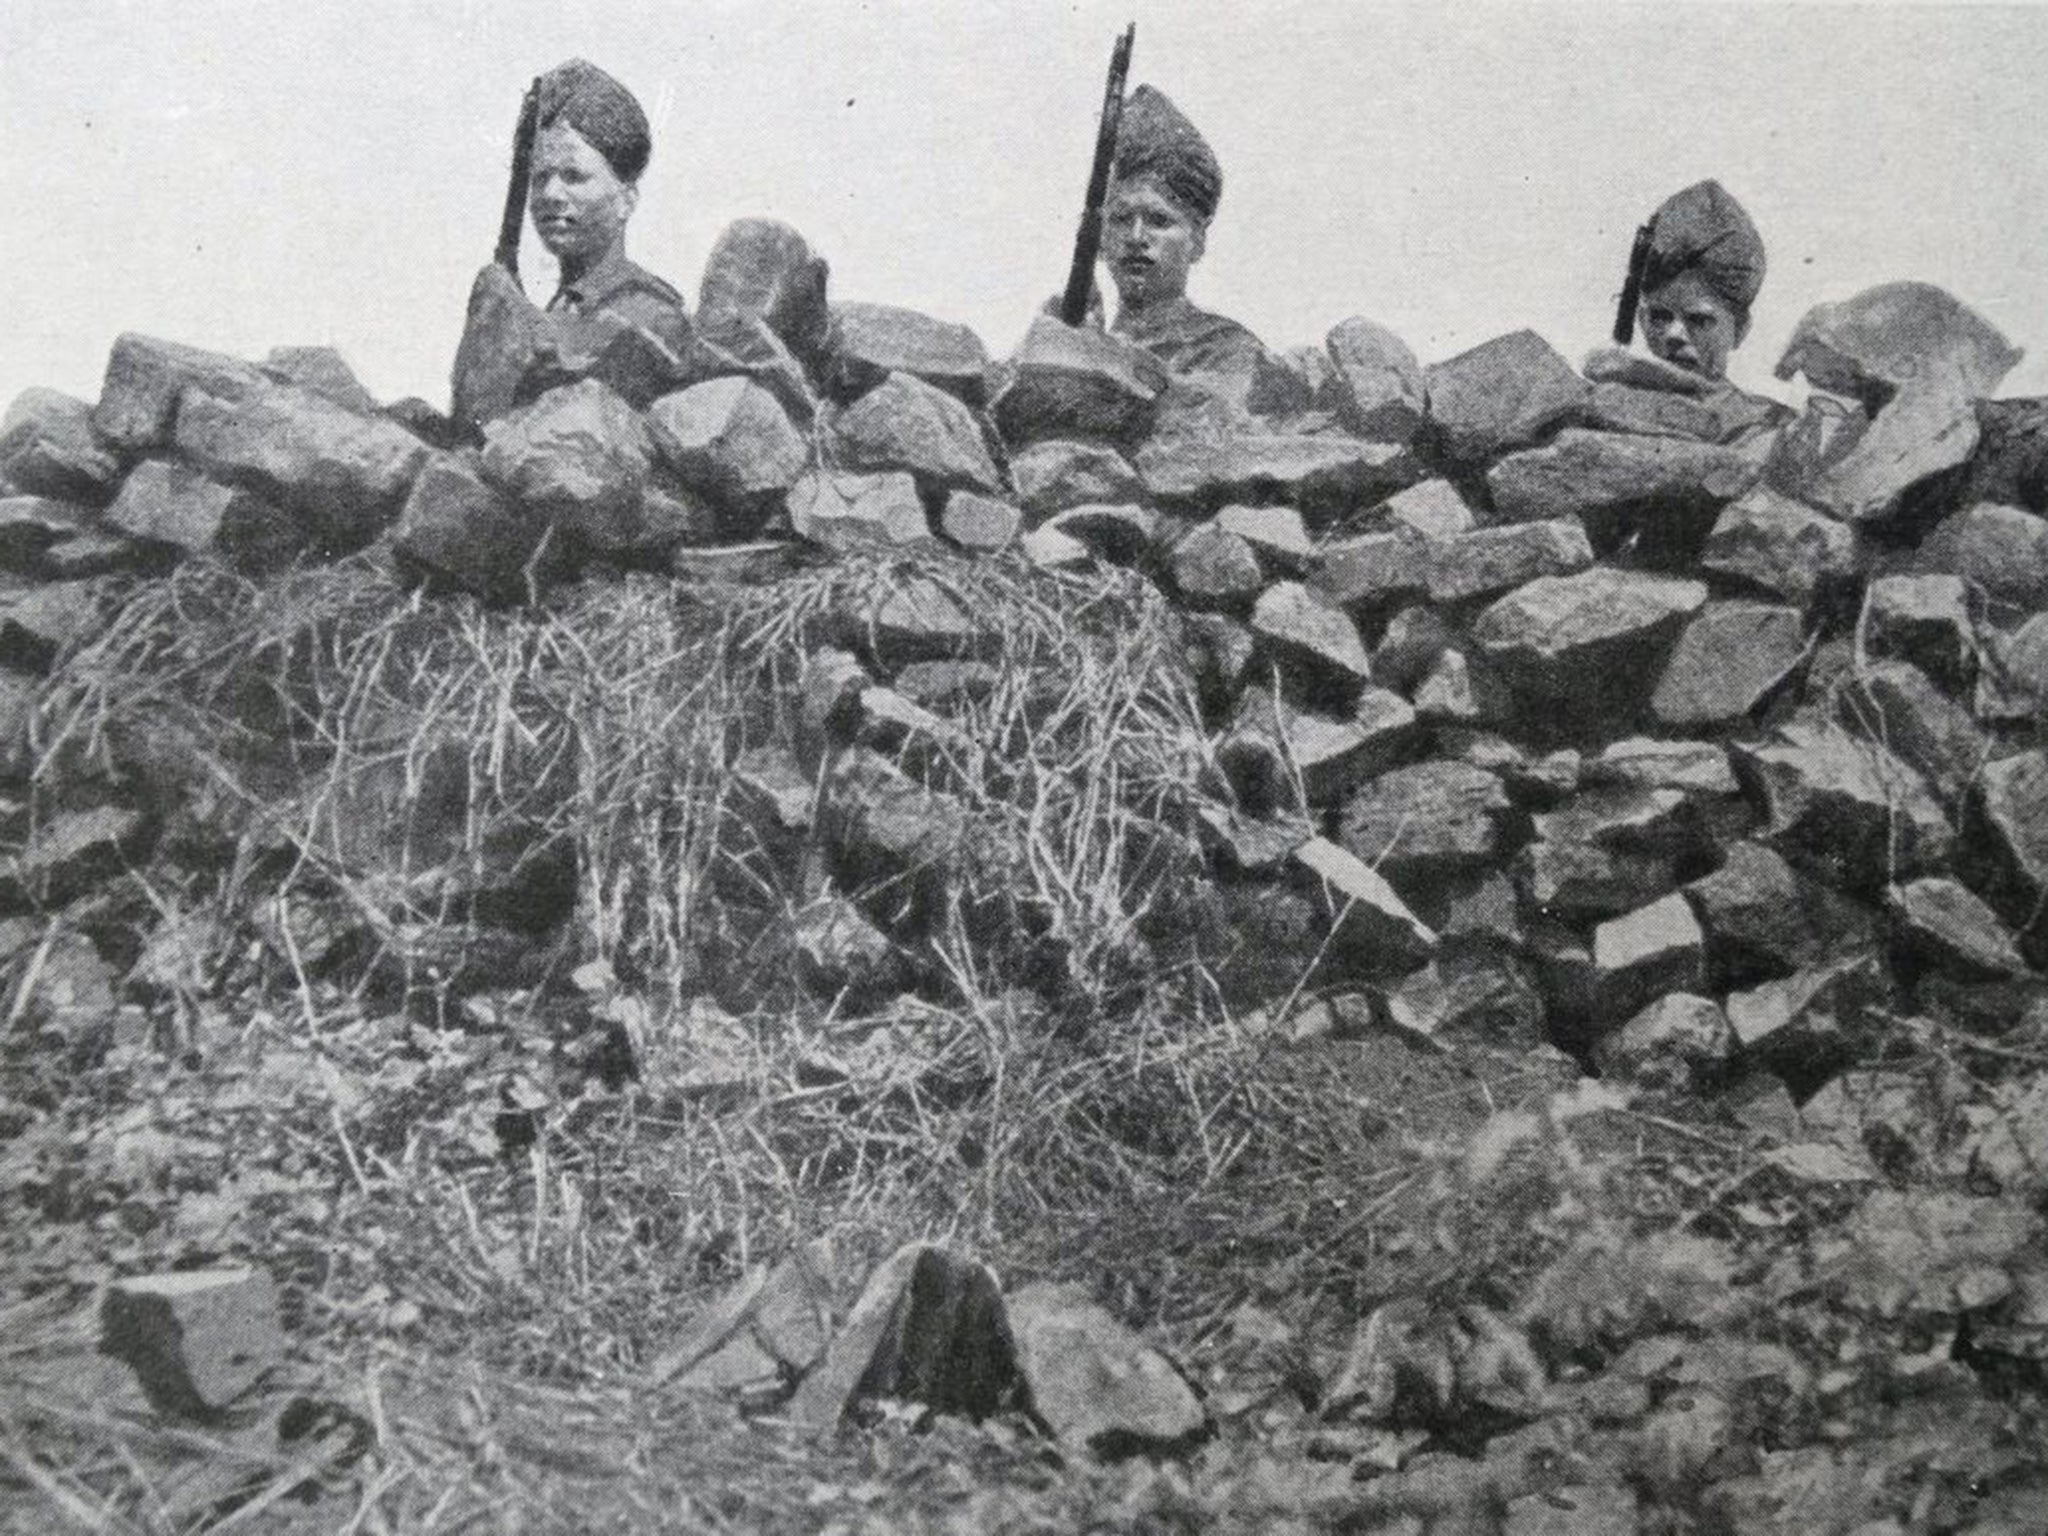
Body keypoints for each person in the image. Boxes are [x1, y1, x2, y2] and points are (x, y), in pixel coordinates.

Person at [450, 59, 691, 438]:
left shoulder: (651, 316)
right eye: (539, 177)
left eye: (574, 177)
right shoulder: (554, 311)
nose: (550, 194)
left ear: (626, 200)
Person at [1099, 86, 1270, 378]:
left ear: (1197, 242)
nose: (1136, 237)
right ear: (1100, 240)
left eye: (1159, 220)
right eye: (1121, 218)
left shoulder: (1228, 351)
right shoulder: (1078, 343)